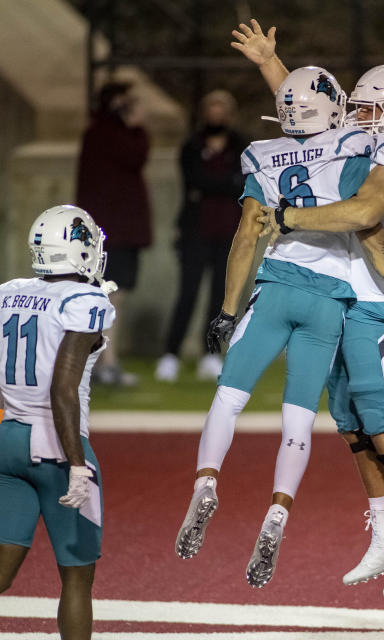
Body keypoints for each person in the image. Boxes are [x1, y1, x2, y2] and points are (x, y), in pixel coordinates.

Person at [173, 66, 384, 589]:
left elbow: (245, 238)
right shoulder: (353, 146)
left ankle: (206, 479)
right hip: (329, 298)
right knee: (298, 420)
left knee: (229, 398)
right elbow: (367, 227)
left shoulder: (260, 153)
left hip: (275, 286)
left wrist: (228, 310)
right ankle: (279, 510)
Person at [231, 19, 384, 597]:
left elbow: (362, 212)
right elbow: (320, 115)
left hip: (381, 302)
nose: (358, 117)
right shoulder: (364, 135)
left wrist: (288, 217)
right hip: (344, 297)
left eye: (370, 109)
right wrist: (273, 66)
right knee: (350, 425)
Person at [0, 205, 116, 640]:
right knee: (76, 578)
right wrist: (76, 465)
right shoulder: (86, 301)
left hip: (8, 439)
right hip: (58, 447)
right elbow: (62, 389)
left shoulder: (7, 292)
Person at [156, 90, 248, 382]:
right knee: (188, 293)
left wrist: (217, 185)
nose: (215, 117)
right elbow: (195, 180)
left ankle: (211, 354)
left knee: (220, 298)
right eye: (211, 110)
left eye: (221, 111)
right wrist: (224, 182)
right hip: (196, 231)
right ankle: (170, 354)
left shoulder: (240, 145)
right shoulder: (192, 146)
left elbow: (240, 183)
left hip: (229, 233)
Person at [76, 81, 151, 387]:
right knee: (107, 298)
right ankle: (105, 364)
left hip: (115, 232)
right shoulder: (106, 134)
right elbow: (136, 155)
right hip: (110, 234)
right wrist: (136, 128)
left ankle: (103, 363)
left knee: (109, 298)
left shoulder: (98, 133)